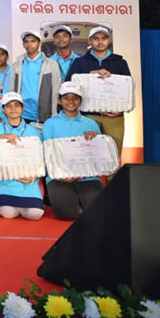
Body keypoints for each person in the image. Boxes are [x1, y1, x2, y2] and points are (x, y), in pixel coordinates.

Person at [65, 26, 131, 156]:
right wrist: (91, 75)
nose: (100, 42)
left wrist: (120, 109)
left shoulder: (120, 62)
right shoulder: (80, 62)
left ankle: (113, 171)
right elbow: (69, 85)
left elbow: (127, 89)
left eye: (103, 38)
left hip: (114, 117)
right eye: (96, 39)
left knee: (113, 154)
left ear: (109, 41)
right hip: (88, 116)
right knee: (88, 152)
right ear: (89, 41)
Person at [42, 82, 102, 220]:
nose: (71, 101)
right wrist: (61, 174)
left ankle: (81, 202)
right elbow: (48, 152)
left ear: (80, 101)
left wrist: (97, 139)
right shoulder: (50, 123)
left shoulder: (91, 123)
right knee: (66, 213)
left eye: (75, 98)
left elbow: (99, 153)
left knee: (97, 210)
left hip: (87, 176)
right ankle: (76, 204)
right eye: (66, 98)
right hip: (59, 176)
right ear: (59, 100)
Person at [0, 92, 44, 220]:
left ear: (23, 108)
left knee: (34, 214)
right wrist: (1, 138)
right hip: (4, 181)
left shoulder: (33, 131)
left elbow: (40, 157)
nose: (13, 109)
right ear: (3, 109)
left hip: (28, 182)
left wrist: (33, 177)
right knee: (8, 213)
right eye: (9, 106)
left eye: (17, 105)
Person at [11, 30, 61, 124]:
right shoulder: (17, 65)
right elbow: (12, 89)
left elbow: (56, 91)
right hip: (22, 114)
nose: (29, 44)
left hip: (43, 115)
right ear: (23, 44)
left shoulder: (51, 65)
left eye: (33, 41)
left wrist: (54, 113)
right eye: (26, 42)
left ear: (40, 43)